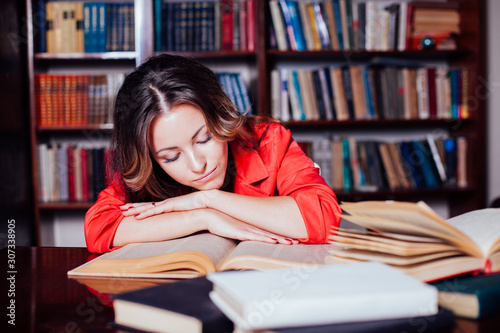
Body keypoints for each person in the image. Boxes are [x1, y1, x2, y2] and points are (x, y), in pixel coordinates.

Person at [84, 54, 341, 253]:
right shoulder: (147, 173)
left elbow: (325, 219)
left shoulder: (267, 141)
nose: (198, 165)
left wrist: (208, 199)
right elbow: (98, 227)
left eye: (204, 138)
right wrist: (202, 217)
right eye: (171, 157)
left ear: (220, 114)